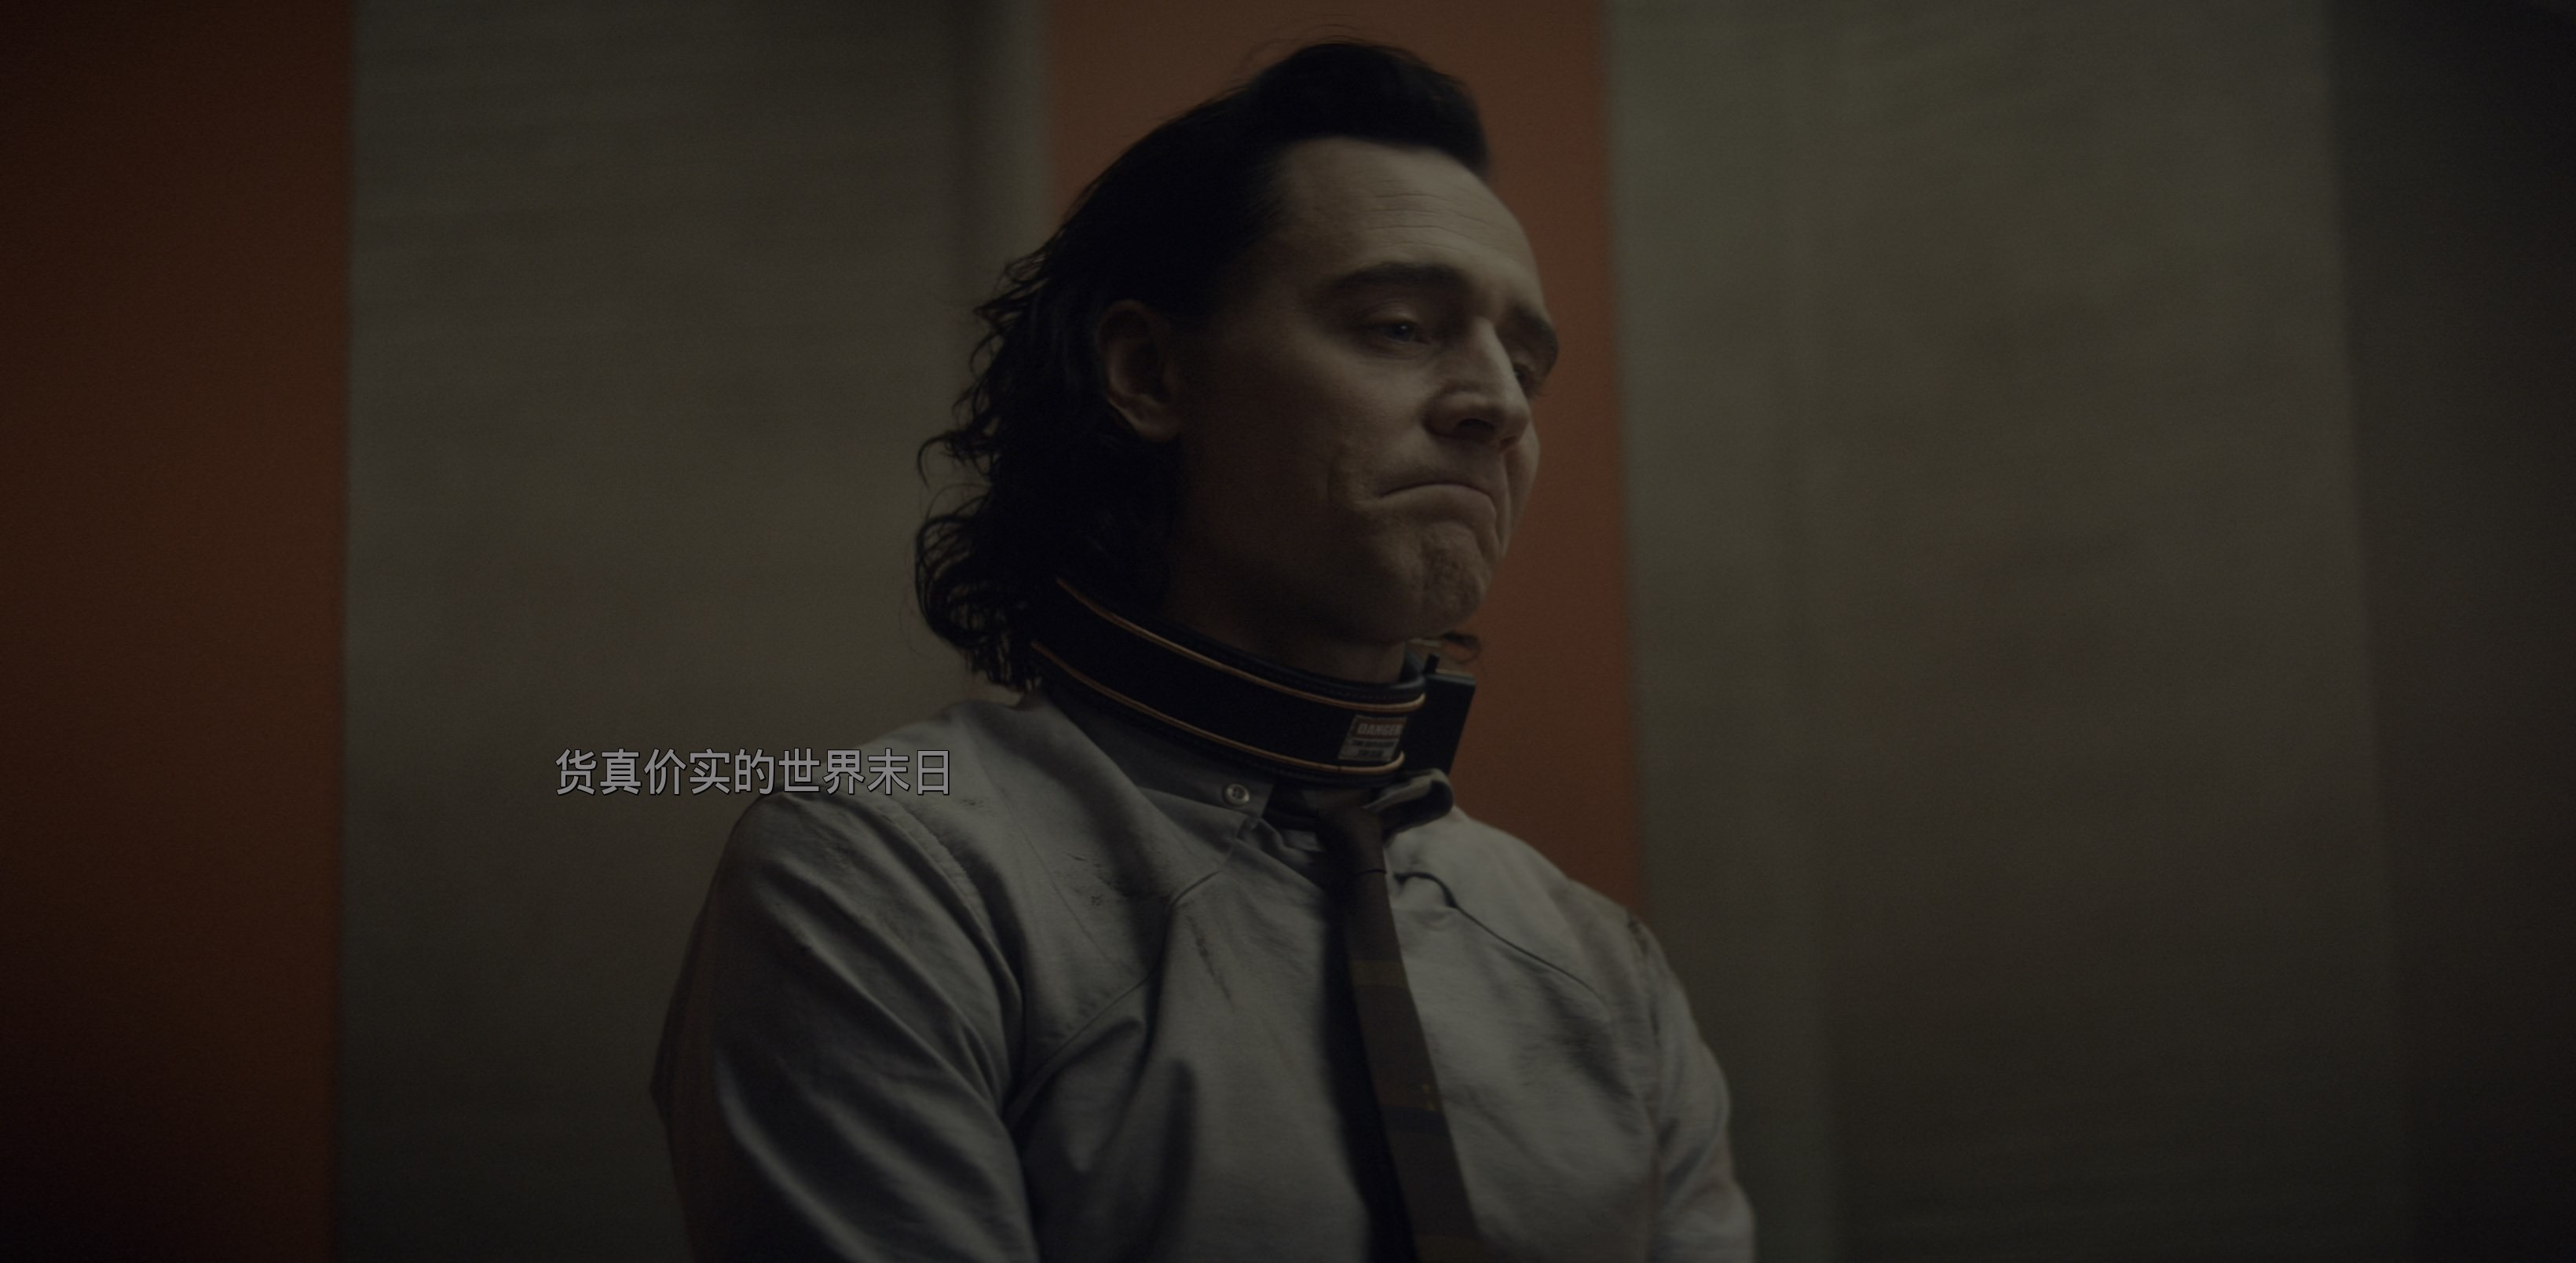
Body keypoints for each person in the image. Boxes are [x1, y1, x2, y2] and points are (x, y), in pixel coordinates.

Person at [650, 41, 1754, 1262]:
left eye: (1527, 364)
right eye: (1400, 326)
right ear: (1149, 373)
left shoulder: (1606, 968)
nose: (1499, 404)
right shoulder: (886, 877)